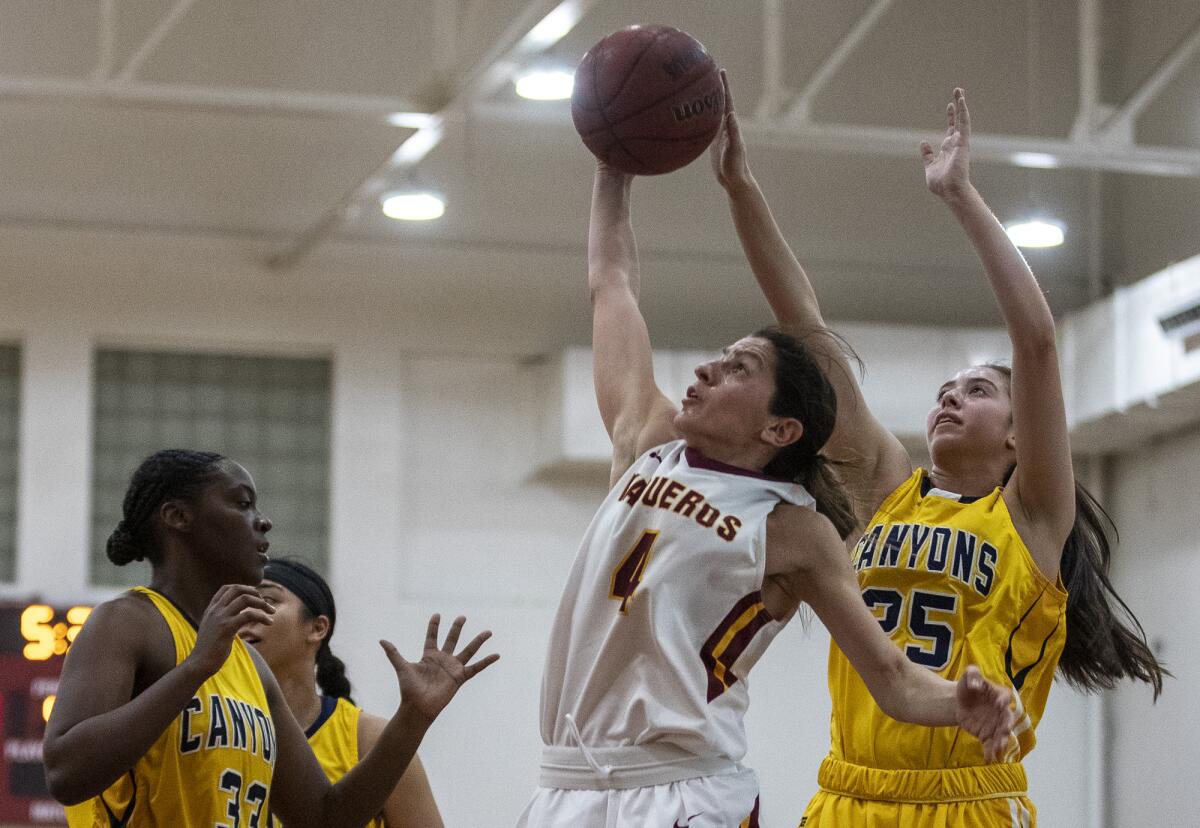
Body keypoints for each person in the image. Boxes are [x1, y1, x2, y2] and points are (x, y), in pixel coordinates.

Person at [710, 78, 1168, 826]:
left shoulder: (1031, 518)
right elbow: (806, 327)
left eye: (979, 390)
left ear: (1021, 435)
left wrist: (960, 196)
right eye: (946, 388)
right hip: (847, 796)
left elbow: (1040, 344)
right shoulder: (888, 485)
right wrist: (740, 188)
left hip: (967, 802)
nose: (951, 396)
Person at [516, 150, 1016, 828]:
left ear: (781, 427)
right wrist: (614, 166)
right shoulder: (648, 442)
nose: (703, 372)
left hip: (682, 792)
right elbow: (611, 284)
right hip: (565, 785)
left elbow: (893, 680)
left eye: (735, 369)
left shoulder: (794, 529)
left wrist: (965, 703)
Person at [44, 448, 496, 828]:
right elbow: (65, 772)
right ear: (177, 517)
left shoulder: (251, 667)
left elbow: (324, 818)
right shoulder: (127, 622)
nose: (263, 523)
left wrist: (412, 718)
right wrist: (197, 667)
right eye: (242, 504)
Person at [240, 557, 444, 827]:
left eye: (267, 600)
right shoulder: (213, 726)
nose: (246, 613)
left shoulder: (367, 739)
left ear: (317, 628)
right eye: (238, 603)